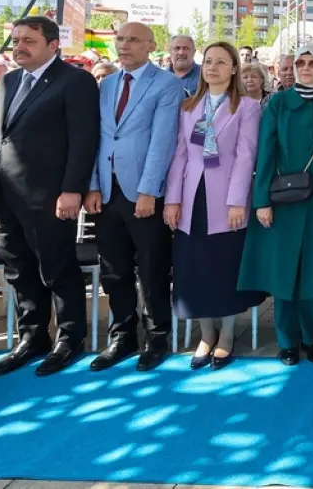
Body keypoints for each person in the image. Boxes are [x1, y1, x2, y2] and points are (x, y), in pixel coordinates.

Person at [0, 16, 100, 377]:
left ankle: (68, 340)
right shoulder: (8, 80)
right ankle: (32, 337)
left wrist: (72, 189)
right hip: (6, 196)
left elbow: (83, 139)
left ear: (53, 45)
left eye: (28, 41)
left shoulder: (75, 81)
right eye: (16, 39)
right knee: (18, 269)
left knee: (58, 269)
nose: (19, 46)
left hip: (50, 196)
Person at [84, 22, 184, 372]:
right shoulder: (107, 83)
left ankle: (157, 336)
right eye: (120, 39)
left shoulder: (167, 85)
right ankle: (122, 335)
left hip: (143, 193)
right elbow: (96, 138)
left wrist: (148, 190)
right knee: (114, 270)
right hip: (107, 191)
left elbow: (163, 141)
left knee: (153, 267)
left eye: (132, 40)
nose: (124, 45)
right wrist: (93, 185)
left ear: (150, 46)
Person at [241, 44, 313, 365]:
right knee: (283, 272)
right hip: (282, 200)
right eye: (299, 62)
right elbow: (265, 151)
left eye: (311, 62)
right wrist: (262, 201)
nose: (304, 67)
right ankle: (287, 341)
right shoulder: (278, 103)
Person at [166, 42, 264, 369]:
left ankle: (226, 334)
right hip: (192, 198)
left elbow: (246, 155)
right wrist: (173, 200)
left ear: (234, 68)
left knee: (223, 268)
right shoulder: (188, 106)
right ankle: (205, 333)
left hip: (225, 200)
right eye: (208, 61)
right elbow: (181, 155)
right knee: (194, 269)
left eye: (221, 62)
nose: (212, 68)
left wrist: (238, 200)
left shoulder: (247, 107)